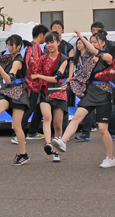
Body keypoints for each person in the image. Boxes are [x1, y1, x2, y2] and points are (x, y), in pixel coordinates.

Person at [52, 30, 115, 168]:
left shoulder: (108, 56)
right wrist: (68, 85)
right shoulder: (88, 59)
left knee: (103, 129)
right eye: (91, 42)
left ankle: (110, 157)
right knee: (76, 117)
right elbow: (80, 75)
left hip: (104, 92)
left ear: (103, 43)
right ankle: (63, 141)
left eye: (95, 42)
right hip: (91, 92)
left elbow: (94, 51)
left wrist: (81, 36)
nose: (92, 45)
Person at [0, 34, 32, 165]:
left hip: (19, 92)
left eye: (12, 45)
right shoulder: (10, 57)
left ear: (19, 46)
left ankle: (23, 154)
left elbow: (9, 78)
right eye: (8, 44)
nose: (9, 47)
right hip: (8, 90)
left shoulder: (18, 61)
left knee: (17, 127)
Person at [75, 22, 115, 141]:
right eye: (93, 30)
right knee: (86, 109)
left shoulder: (108, 46)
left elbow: (113, 61)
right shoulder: (90, 49)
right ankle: (85, 133)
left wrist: (80, 35)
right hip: (92, 85)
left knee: (109, 109)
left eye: (98, 30)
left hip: (106, 83)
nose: (95, 32)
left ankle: (113, 132)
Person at [30, 32, 68, 162]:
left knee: (58, 124)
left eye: (52, 42)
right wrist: (31, 64)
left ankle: (56, 151)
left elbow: (57, 77)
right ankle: (48, 144)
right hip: (44, 92)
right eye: (47, 42)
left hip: (58, 91)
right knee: (47, 117)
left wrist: (39, 76)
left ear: (58, 42)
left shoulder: (64, 59)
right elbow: (34, 72)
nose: (49, 45)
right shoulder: (42, 58)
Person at [21, 24, 48, 141]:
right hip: (34, 83)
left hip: (32, 82)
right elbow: (34, 65)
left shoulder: (28, 47)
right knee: (30, 108)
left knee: (37, 107)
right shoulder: (35, 47)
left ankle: (33, 131)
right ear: (41, 35)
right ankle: (19, 133)